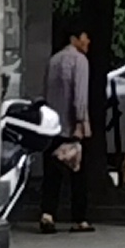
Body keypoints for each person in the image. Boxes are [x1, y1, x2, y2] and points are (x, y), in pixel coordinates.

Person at [40, 23, 94, 232]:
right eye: (85, 36)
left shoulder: (53, 60)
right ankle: (80, 219)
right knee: (78, 174)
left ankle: (47, 214)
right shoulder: (79, 60)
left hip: (52, 126)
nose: (88, 41)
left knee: (51, 173)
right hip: (71, 127)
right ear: (75, 38)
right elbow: (79, 95)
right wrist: (80, 122)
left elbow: (46, 92)